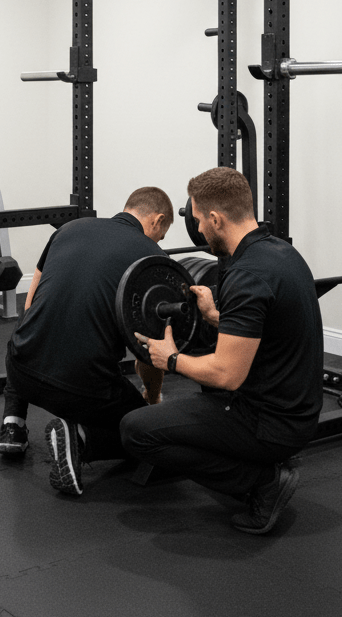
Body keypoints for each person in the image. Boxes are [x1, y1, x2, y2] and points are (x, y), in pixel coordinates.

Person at [120, 167, 323, 535]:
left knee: (137, 430)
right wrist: (216, 316)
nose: (197, 229)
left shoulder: (247, 275)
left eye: (198, 220)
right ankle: (261, 462)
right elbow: (267, 332)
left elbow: (228, 375)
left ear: (216, 219)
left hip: (273, 421)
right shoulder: (279, 253)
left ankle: (262, 481)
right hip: (299, 406)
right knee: (203, 393)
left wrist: (172, 360)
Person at [0, 187, 174, 495]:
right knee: (149, 432)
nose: (158, 242)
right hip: (82, 389)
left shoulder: (70, 229)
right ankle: (80, 440)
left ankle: (13, 425)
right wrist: (152, 398)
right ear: (158, 220)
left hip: (20, 371)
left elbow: (31, 305)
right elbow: (150, 351)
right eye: (162, 235)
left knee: (30, 333)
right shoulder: (153, 259)